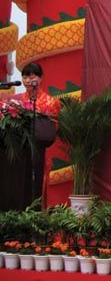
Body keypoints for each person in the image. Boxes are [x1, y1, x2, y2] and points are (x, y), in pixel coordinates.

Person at [1, 63, 61, 210]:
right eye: (25, 77)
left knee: (37, 186)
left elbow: (52, 129)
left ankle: (36, 215)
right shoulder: (15, 101)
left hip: (40, 151)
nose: (27, 81)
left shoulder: (51, 102)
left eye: (32, 77)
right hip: (18, 153)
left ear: (41, 78)